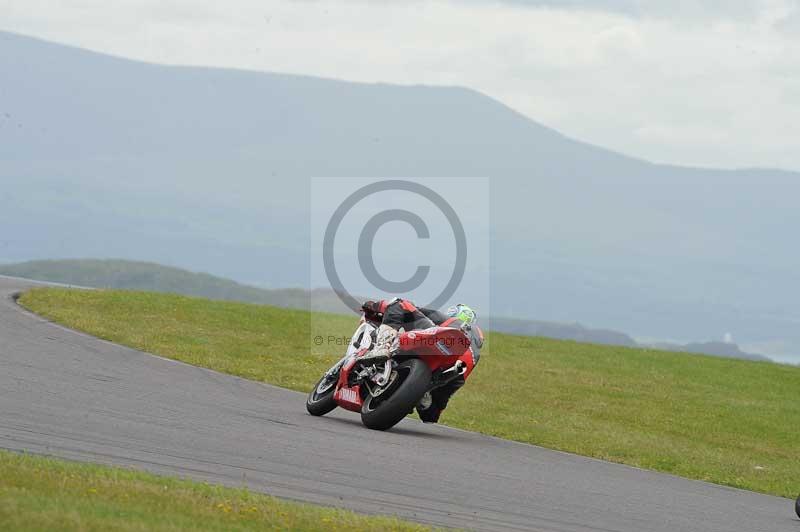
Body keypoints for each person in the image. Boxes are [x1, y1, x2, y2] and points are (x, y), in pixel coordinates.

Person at [360, 298, 483, 424]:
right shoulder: (477, 344)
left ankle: (382, 346)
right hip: (456, 369)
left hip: (439, 343)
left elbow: (412, 310)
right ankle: (425, 395)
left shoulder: (448, 320)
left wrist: (374, 306)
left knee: (399, 303)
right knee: (432, 412)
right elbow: (431, 418)